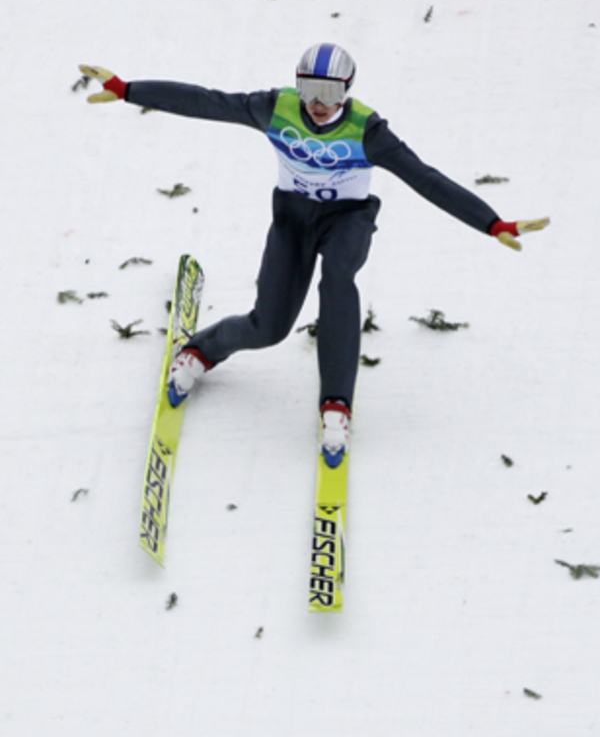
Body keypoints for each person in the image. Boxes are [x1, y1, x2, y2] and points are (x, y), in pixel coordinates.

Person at [80, 43, 549, 468]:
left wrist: (491, 223)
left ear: (347, 90)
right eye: (309, 88)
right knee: (269, 327)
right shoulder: (276, 108)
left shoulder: (368, 131)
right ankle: (201, 350)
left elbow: (426, 179)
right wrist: (127, 89)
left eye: (329, 90)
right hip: (294, 219)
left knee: (338, 279)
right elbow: (207, 101)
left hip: (347, 220)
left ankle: (336, 406)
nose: (318, 101)